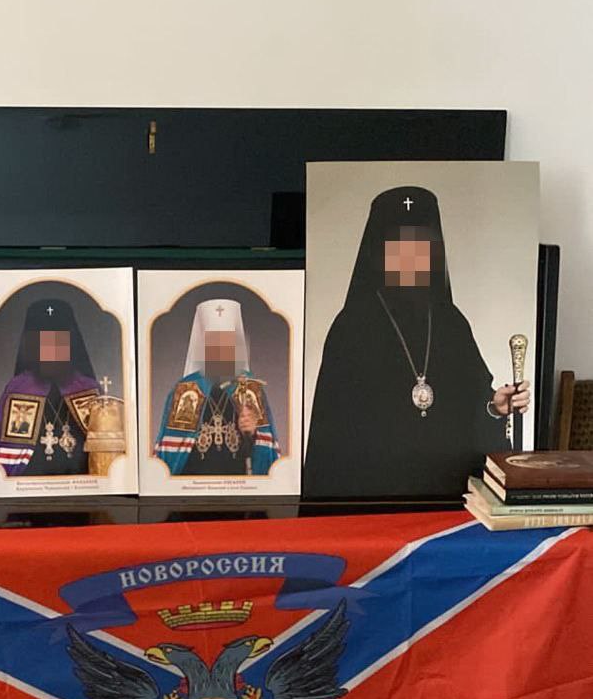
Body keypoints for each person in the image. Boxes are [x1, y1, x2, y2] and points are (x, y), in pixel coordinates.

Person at [303, 185, 530, 497]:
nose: (410, 258)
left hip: (447, 495)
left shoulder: (451, 322)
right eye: (399, 247)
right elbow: (333, 435)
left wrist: (495, 407)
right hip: (373, 497)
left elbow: (472, 409)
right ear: (379, 254)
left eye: (420, 246)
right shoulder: (351, 326)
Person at [154, 298, 279, 476]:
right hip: (192, 485)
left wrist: (251, 434)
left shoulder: (250, 389)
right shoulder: (185, 390)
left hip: (237, 484)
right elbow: (171, 458)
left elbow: (262, 458)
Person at [0, 298, 101, 476]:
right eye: (44, 343)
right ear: (33, 347)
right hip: (29, 487)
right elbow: (6, 464)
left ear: (71, 345)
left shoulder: (87, 389)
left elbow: (102, 455)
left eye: (59, 342)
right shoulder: (19, 389)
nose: (52, 350)